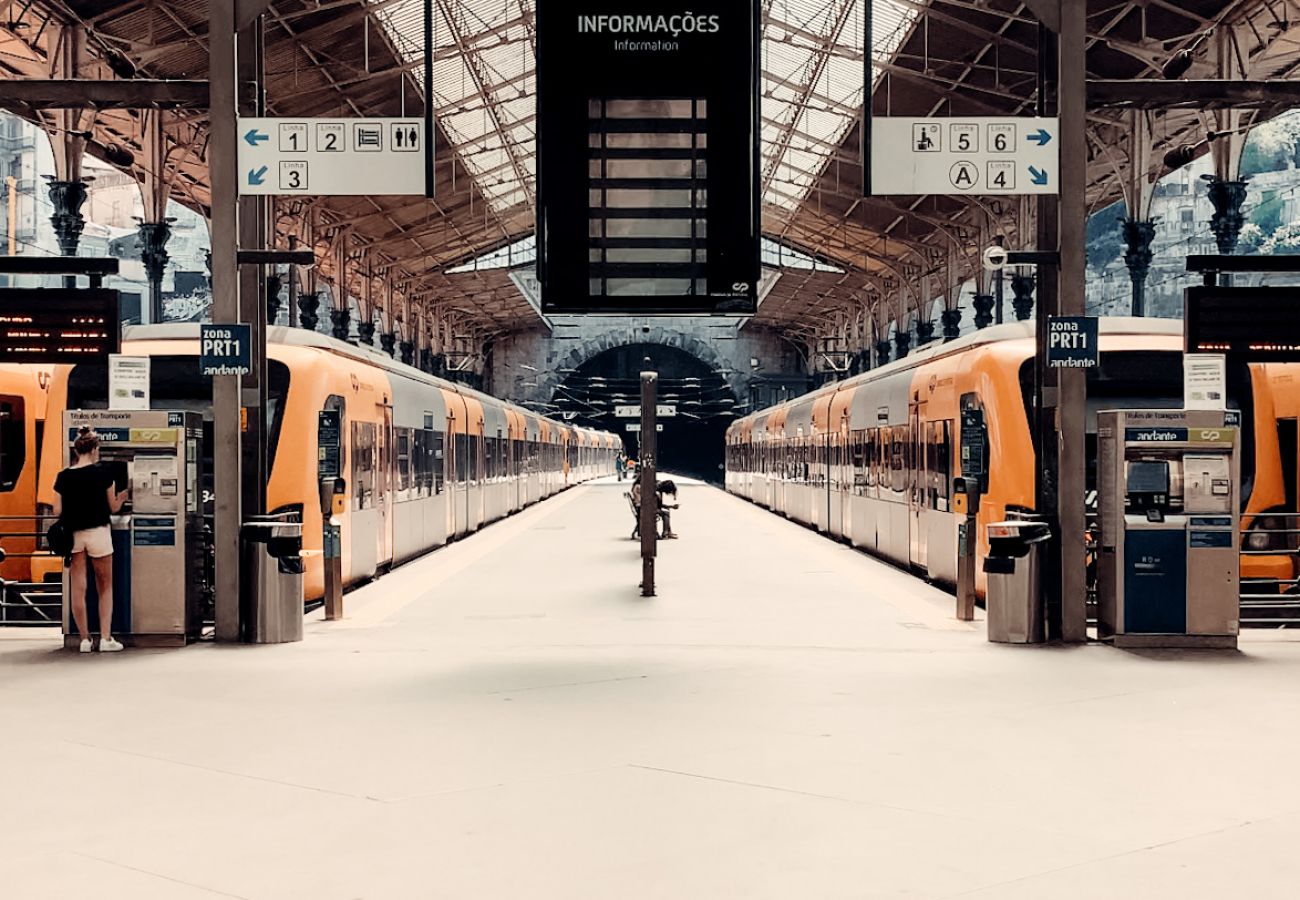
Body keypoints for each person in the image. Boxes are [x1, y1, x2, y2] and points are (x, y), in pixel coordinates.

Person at [54, 428, 128, 653]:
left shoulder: (63, 476)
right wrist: (123, 497)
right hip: (99, 532)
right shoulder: (103, 473)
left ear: (76, 451)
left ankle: (85, 640)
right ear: (95, 449)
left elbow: (57, 510)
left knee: (79, 588)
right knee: (105, 585)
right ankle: (106, 639)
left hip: (74, 535)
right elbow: (113, 507)